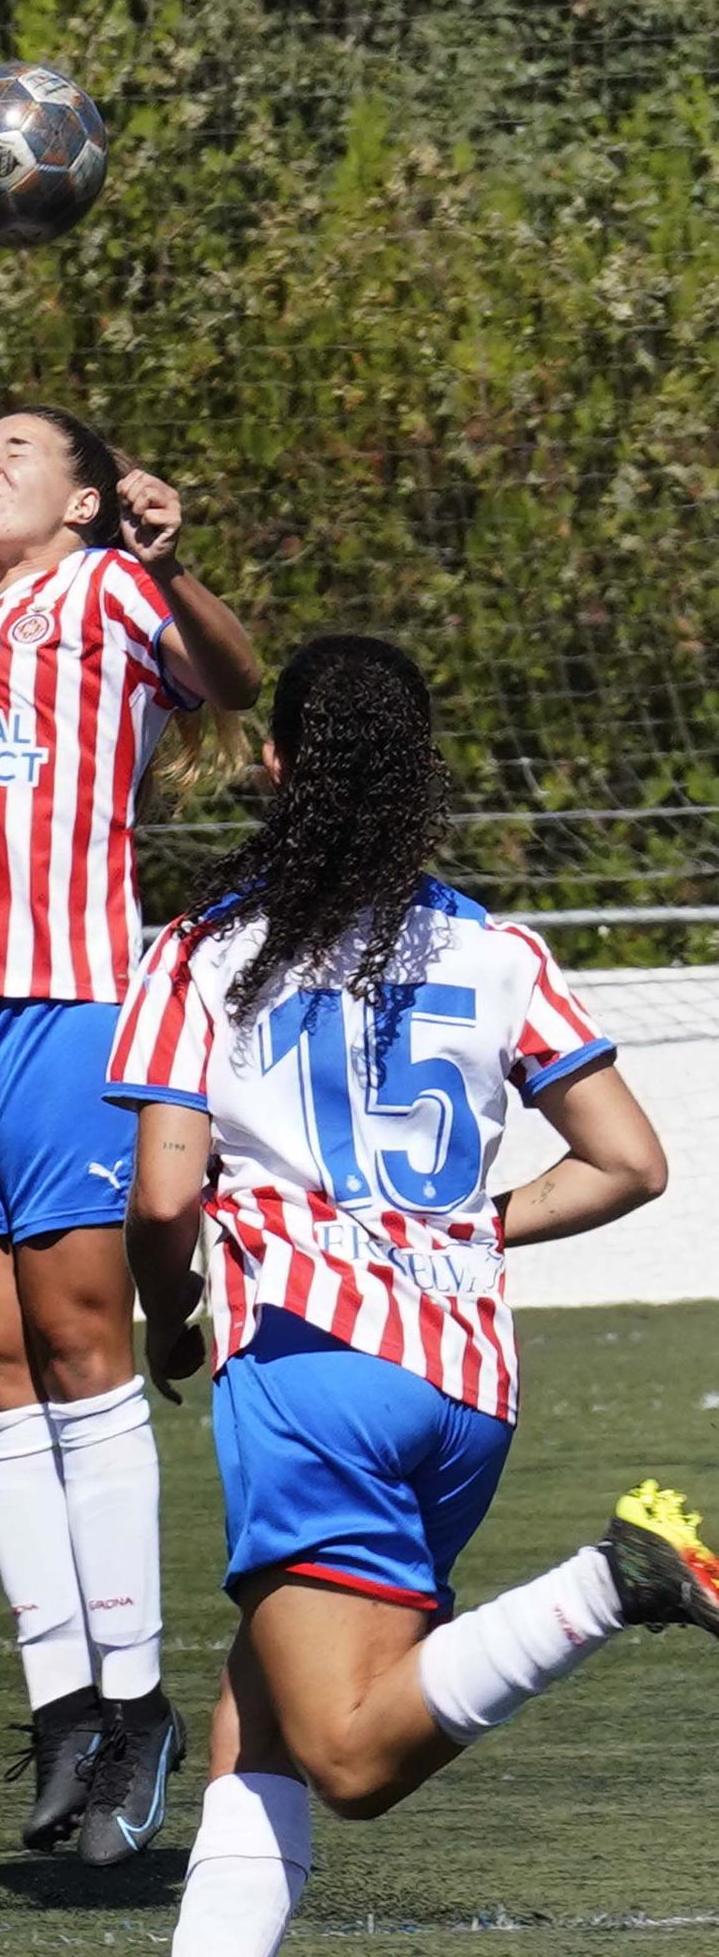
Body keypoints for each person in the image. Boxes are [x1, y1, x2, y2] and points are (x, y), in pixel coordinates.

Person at [106, 631, 719, 1956]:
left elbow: (160, 1202)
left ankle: (611, 1585)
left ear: (274, 766)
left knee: (347, 1754)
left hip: (314, 1369)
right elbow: (627, 1163)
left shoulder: (202, 952)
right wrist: (457, 1226)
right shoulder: (493, 949)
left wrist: (170, 1316)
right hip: (463, 1384)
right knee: (261, 1703)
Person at [0, 405, 260, 1863]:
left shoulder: (111, 592)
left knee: (80, 1349)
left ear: (80, 504)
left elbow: (232, 678)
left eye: (15, 452)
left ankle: (136, 1705)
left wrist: (167, 558)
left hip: (58, 1007)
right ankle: (61, 1705)